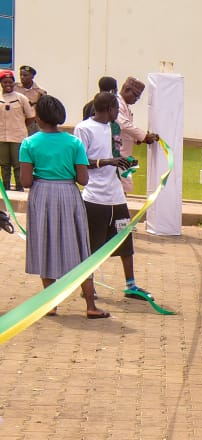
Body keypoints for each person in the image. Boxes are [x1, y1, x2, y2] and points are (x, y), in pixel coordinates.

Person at [19, 95, 107, 318]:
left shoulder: (29, 143)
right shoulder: (73, 142)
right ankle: (90, 305)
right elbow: (84, 179)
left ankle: (51, 303)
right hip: (69, 194)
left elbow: (26, 181)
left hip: (42, 196)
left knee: (45, 245)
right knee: (79, 247)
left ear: (38, 117)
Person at [74, 92, 148, 301]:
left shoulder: (113, 128)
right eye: (116, 108)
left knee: (125, 239)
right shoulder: (83, 128)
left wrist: (124, 163)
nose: (118, 112)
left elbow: (115, 155)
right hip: (95, 197)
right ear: (108, 108)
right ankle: (88, 286)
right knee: (91, 244)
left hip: (116, 196)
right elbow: (80, 161)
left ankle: (131, 284)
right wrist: (105, 162)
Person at [116, 77, 158, 197]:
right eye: (136, 96)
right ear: (127, 89)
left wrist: (138, 139)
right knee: (121, 187)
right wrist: (144, 137)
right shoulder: (117, 104)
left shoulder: (125, 106)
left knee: (125, 186)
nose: (136, 100)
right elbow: (123, 125)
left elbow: (126, 128)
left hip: (125, 155)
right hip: (118, 154)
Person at [0, 69, 36, 192]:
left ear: (14, 83)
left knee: (18, 164)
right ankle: (6, 187)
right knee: (4, 165)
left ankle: (20, 187)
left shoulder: (21, 98)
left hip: (17, 136)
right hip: (2, 137)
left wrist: (20, 125)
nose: (8, 85)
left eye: (10, 82)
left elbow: (31, 116)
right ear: (1, 83)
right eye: (5, 82)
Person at [17, 66, 44, 135]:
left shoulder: (40, 92)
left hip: (32, 124)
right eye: (21, 75)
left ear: (32, 76)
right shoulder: (14, 88)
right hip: (16, 122)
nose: (22, 77)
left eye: (25, 75)